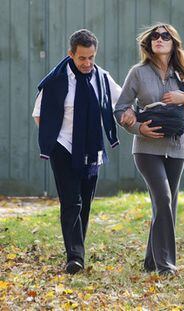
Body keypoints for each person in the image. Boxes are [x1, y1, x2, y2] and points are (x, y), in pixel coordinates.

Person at [114, 23, 184, 275]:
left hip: (177, 149)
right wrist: (137, 127)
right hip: (146, 148)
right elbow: (121, 108)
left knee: (167, 204)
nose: (159, 39)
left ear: (174, 43)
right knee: (163, 198)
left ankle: (151, 261)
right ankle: (166, 265)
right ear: (149, 43)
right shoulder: (138, 72)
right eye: (155, 36)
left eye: (165, 36)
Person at [32, 29, 122, 274]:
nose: (87, 63)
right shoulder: (56, 81)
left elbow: (122, 102)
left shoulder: (102, 78)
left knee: (85, 203)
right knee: (71, 202)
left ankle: (77, 248)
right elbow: (39, 115)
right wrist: (55, 137)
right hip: (64, 147)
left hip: (92, 150)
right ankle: (75, 257)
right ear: (71, 54)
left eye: (91, 57)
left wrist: (136, 117)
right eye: (82, 58)